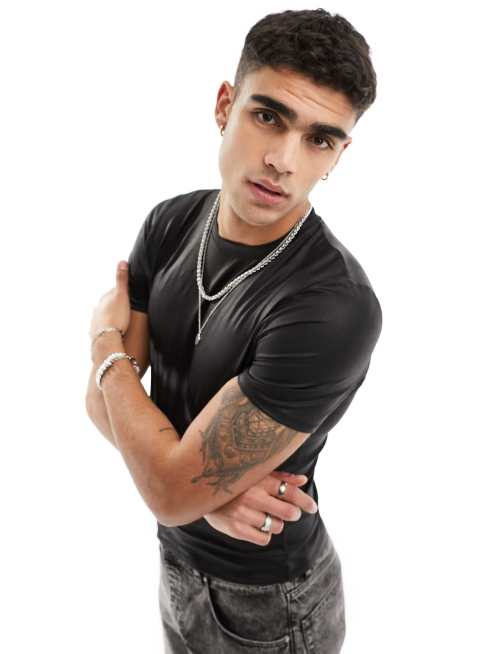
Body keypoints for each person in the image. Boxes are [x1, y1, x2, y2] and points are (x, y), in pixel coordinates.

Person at [86, 8, 382, 653]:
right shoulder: (169, 223)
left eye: (319, 139)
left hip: (268, 603)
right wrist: (207, 495)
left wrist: (106, 345)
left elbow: (154, 461)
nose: (282, 160)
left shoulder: (331, 305)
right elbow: (100, 406)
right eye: (268, 116)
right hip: (175, 562)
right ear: (225, 105)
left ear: (339, 154)